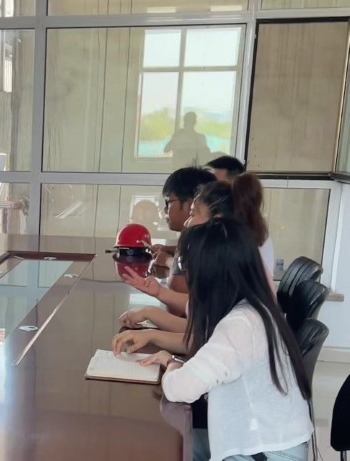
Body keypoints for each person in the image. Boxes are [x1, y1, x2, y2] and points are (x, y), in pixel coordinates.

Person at [130, 219, 313, 461]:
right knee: (165, 441)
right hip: (264, 442)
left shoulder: (241, 325)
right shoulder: (254, 308)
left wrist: (172, 364)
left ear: (211, 272)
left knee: (154, 445)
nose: (188, 275)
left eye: (187, 266)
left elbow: (179, 389)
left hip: (263, 452)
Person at [120, 173, 274, 333]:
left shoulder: (230, 263)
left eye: (193, 214)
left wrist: (151, 315)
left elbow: (199, 333)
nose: (187, 222)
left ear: (216, 220)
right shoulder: (231, 252)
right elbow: (203, 324)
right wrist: (157, 297)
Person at [148, 167, 216, 316]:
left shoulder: (198, 244)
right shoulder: (197, 239)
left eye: (169, 202)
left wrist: (167, 260)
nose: (165, 209)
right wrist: (169, 250)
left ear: (191, 204)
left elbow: (194, 306)